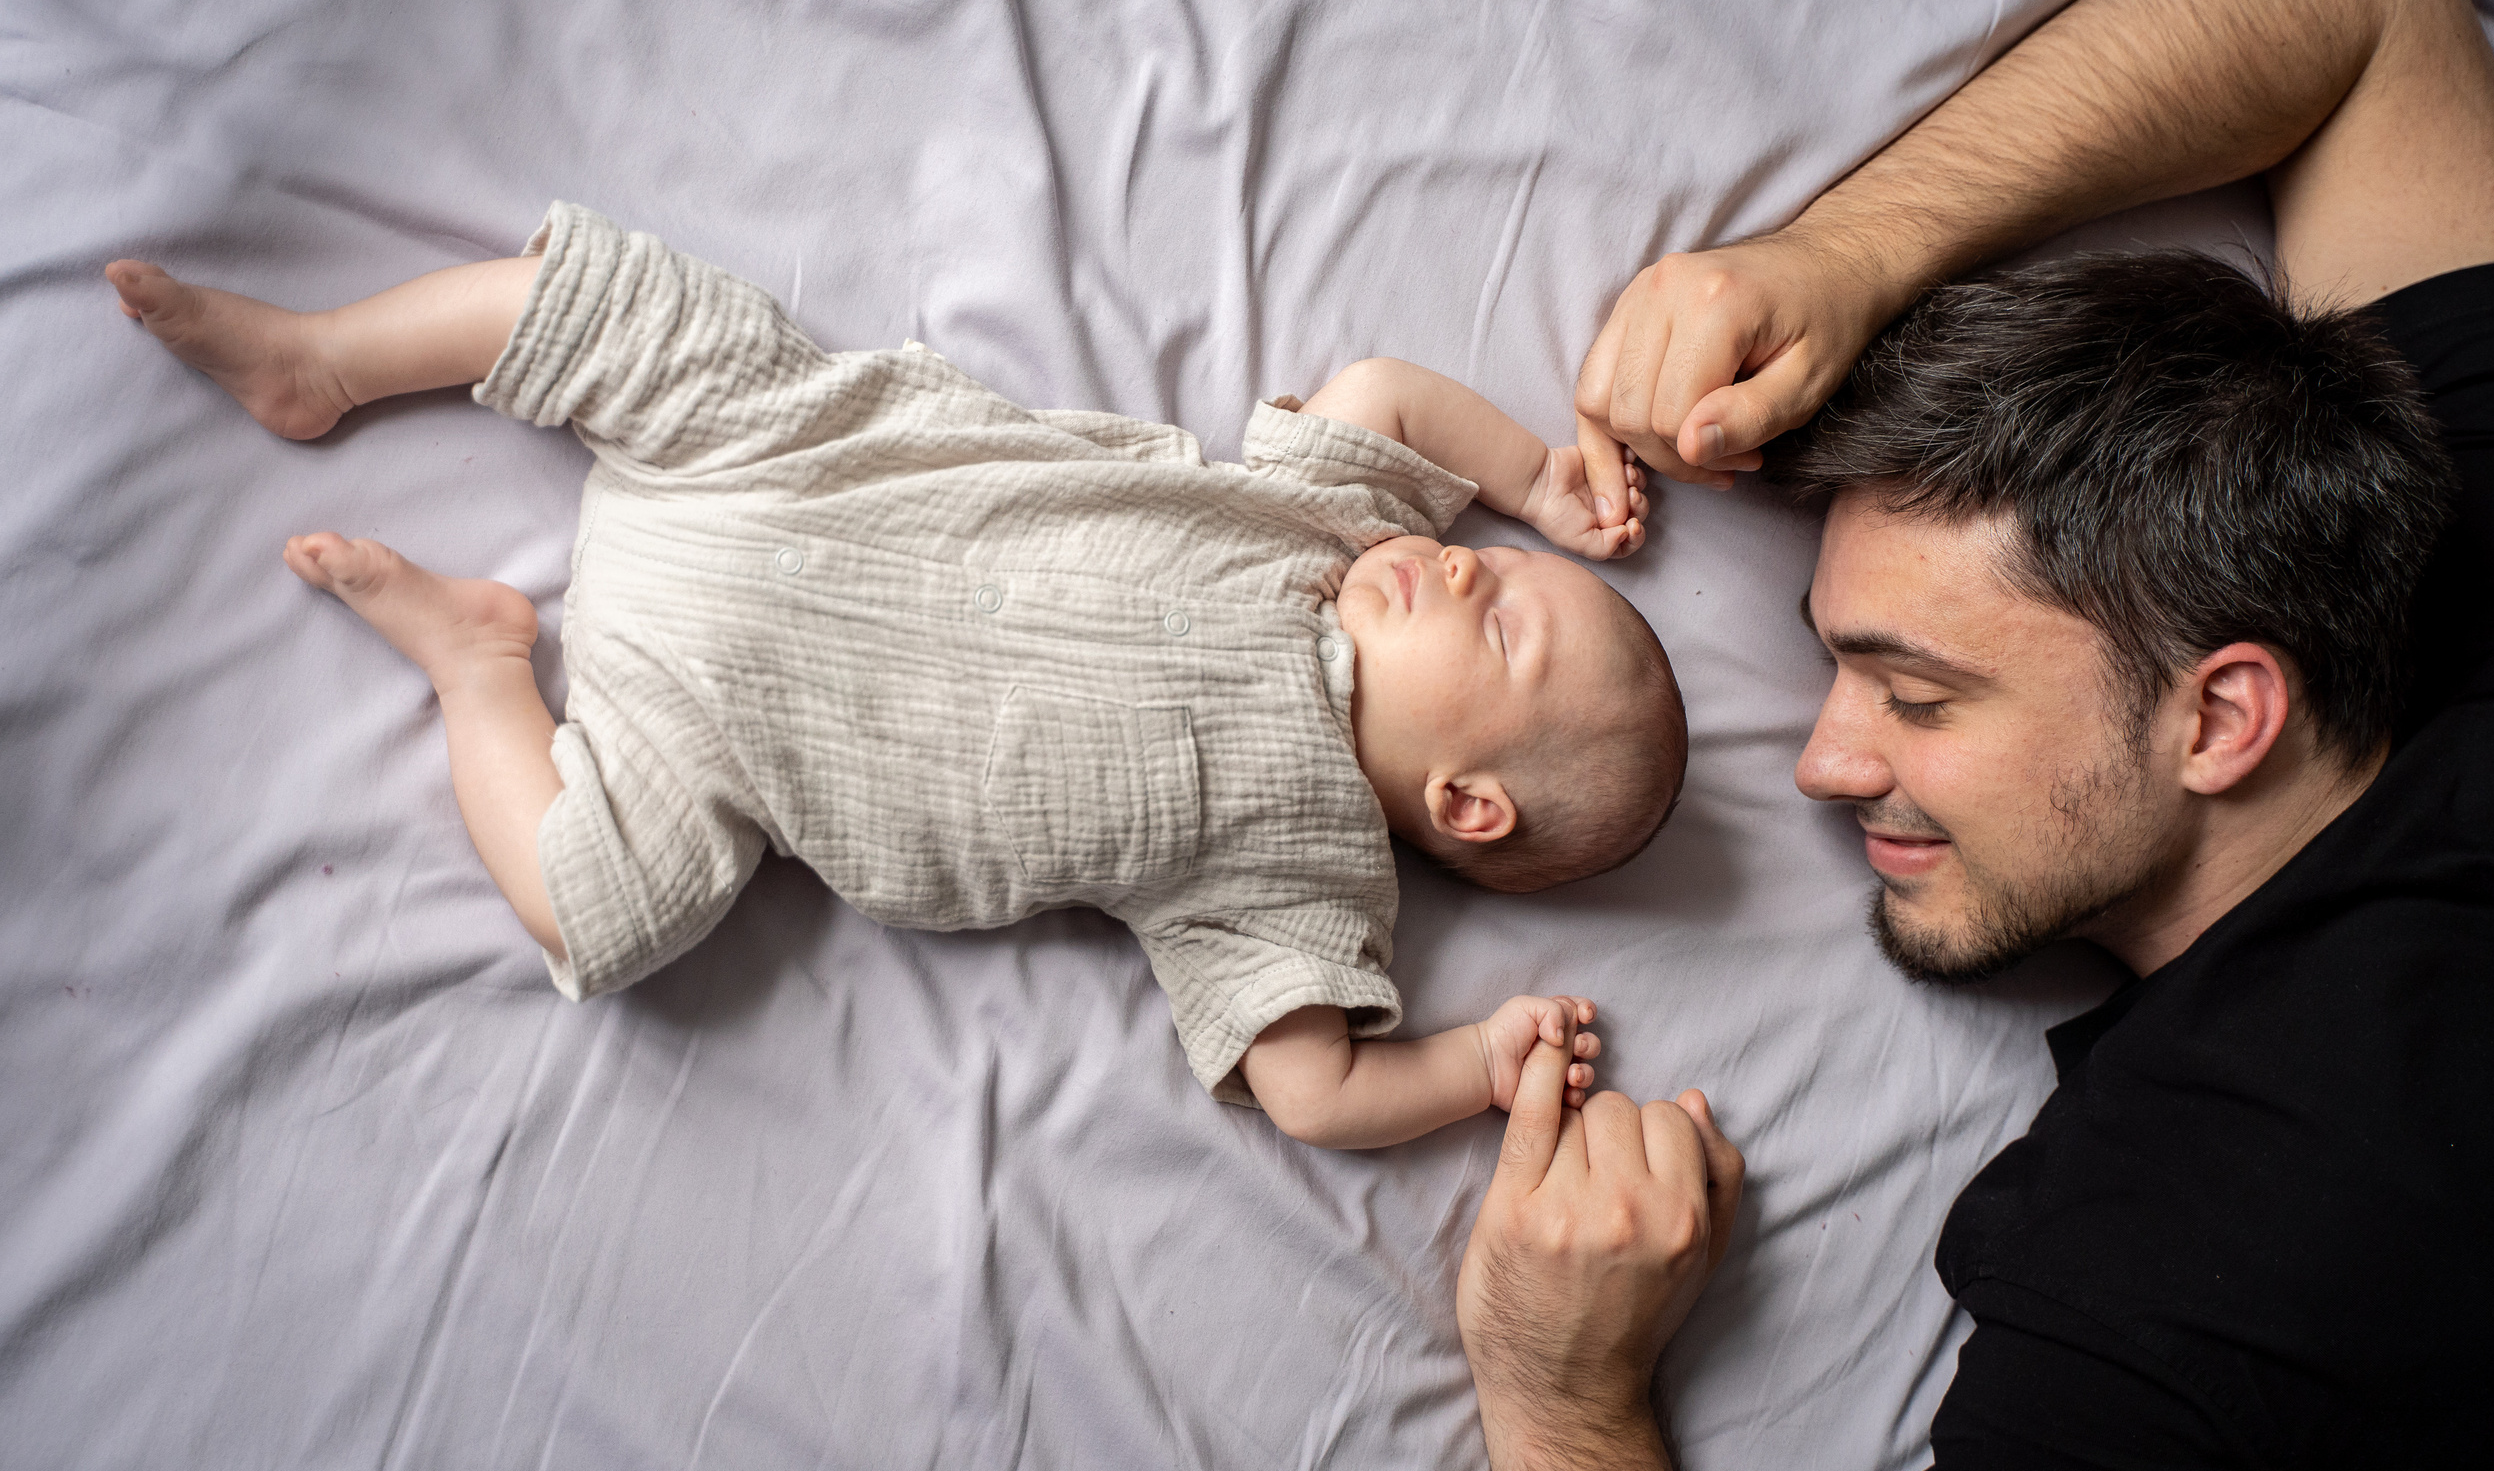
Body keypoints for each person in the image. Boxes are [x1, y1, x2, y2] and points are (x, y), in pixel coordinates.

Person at [1463, 0, 2494, 1471]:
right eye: (1841, 664)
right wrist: (1841, 258)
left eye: (1919, 695)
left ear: (2220, 718)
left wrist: (1563, 1400)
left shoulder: (2190, 1288)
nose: (1824, 762)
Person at [105, 203, 1686, 1150]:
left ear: (1465, 800)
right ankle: (330, 356)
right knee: (627, 307)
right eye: (1501, 559)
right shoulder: (1331, 533)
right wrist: (1535, 477)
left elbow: (1318, 1098)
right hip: (784, 450)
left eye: (1497, 625)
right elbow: (1388, 393)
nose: (1468, 564)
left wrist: (1477, 1068)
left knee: (600, 903)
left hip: (727, 726)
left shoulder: (1306, 888)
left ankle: (475, 666)